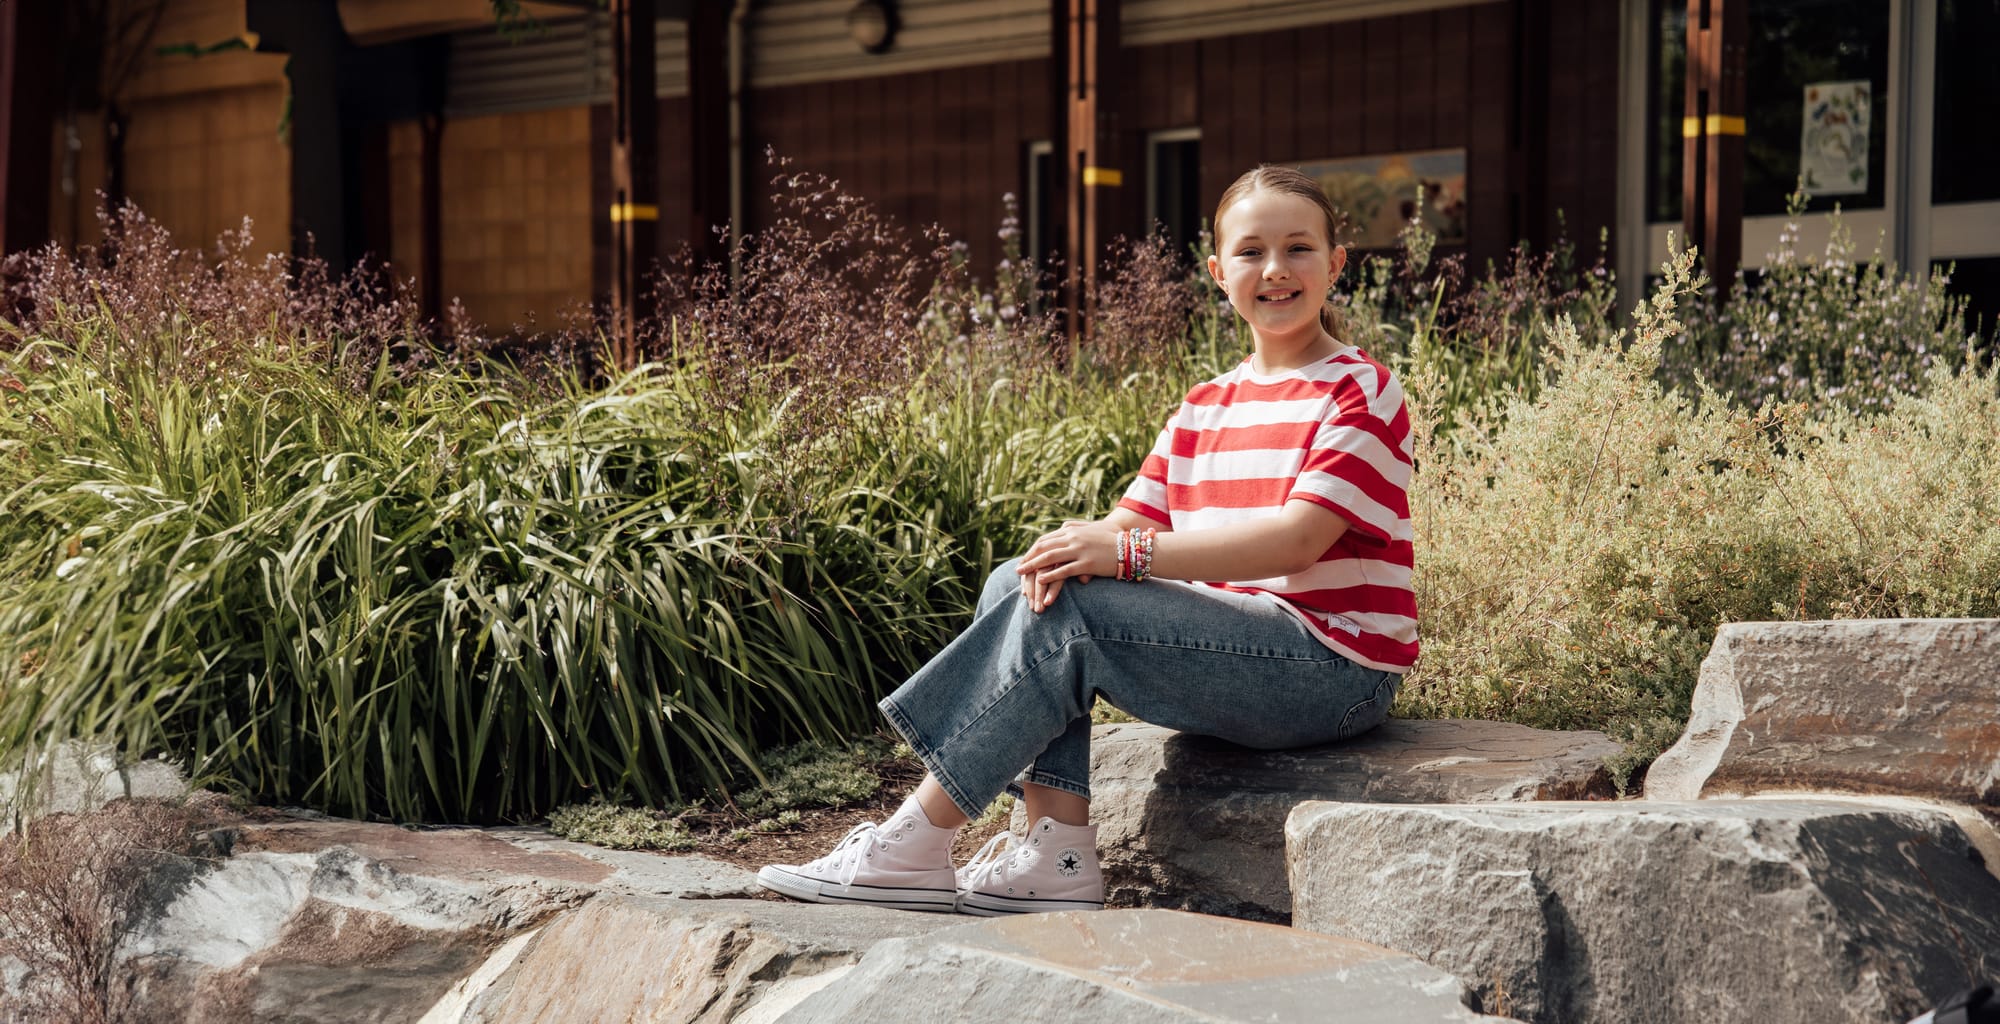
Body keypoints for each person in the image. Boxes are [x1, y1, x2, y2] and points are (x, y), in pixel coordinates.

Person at [756, 165, 1418, 915]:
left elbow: (1297, 543)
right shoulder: (1207, 403)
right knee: (1024, 579)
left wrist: (1124, 556)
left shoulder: (1358, 388)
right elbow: (1130, 521)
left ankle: (917, 837)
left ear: (1335, 263)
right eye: (1250, 251)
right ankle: (1055, 852)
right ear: (1215, 272)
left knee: (1080, 614)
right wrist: (1066, 550)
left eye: (1299, 248)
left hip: (1331, 671)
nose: (1274, 270)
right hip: (1241, 652)